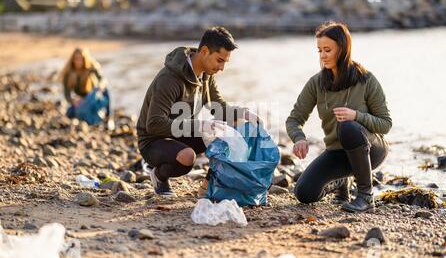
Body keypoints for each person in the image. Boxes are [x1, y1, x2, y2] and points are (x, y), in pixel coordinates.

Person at [137, 26, 259, 198]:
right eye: (219, 60)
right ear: (204, 51)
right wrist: (200, 125)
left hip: (182, 132)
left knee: (232, 129)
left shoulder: (206, 75)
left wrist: (244, 114)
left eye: (225, 62)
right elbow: (154, 124)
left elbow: (218, 107)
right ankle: (159, 176)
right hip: (154, 139)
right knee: (188, 157)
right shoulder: (169, 79)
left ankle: (210, 185)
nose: (222, 67)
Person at [286, 21, 392, 213]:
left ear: (343, 49)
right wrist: (299, 138)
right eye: (319, 50)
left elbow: (385, 124)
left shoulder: (366, 80)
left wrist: (357, 115)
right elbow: (294, 119)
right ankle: (340, 183)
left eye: (327, 49)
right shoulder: (316, 83)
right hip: (337, 152)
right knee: (304, 193)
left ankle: (365, 196)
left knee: (348, 126)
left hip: (371, 150)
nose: (323, 56)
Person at [60, 48, 113, 129]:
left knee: (106, 90)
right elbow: (66, 94)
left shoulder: (90, 66)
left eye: (81, 58)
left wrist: (100, 86)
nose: (79, 61)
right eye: (76, 59)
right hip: (80, 99)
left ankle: (108, 117)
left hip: (92, 96)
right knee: (69, 114)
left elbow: (103, 79)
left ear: (85, 59)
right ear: (73, 60)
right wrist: (73, 101)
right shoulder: (69, 72)